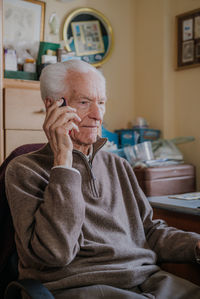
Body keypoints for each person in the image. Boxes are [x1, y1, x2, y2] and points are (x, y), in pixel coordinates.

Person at [5, 59, 200, 299]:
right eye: (85, 102)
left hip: (148, 280)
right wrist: (63, 161)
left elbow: (148, 232)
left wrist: (196, 245)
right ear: (53, 106)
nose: (98, 115)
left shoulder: (118, 165)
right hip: (83, 287)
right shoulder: (24, 170)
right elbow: (56, 253)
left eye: (102, 102)